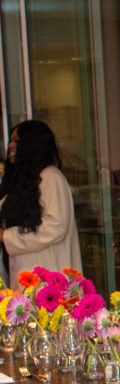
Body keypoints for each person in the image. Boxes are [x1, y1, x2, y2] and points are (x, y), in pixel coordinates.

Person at [0, 120, 82, 283]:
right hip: (24, 274)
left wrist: (7, 237)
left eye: (17, 141)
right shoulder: (23, 182)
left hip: (48, 275)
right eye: (10, 140)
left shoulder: (51, 178)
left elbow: (55, 228)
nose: (10, 145)